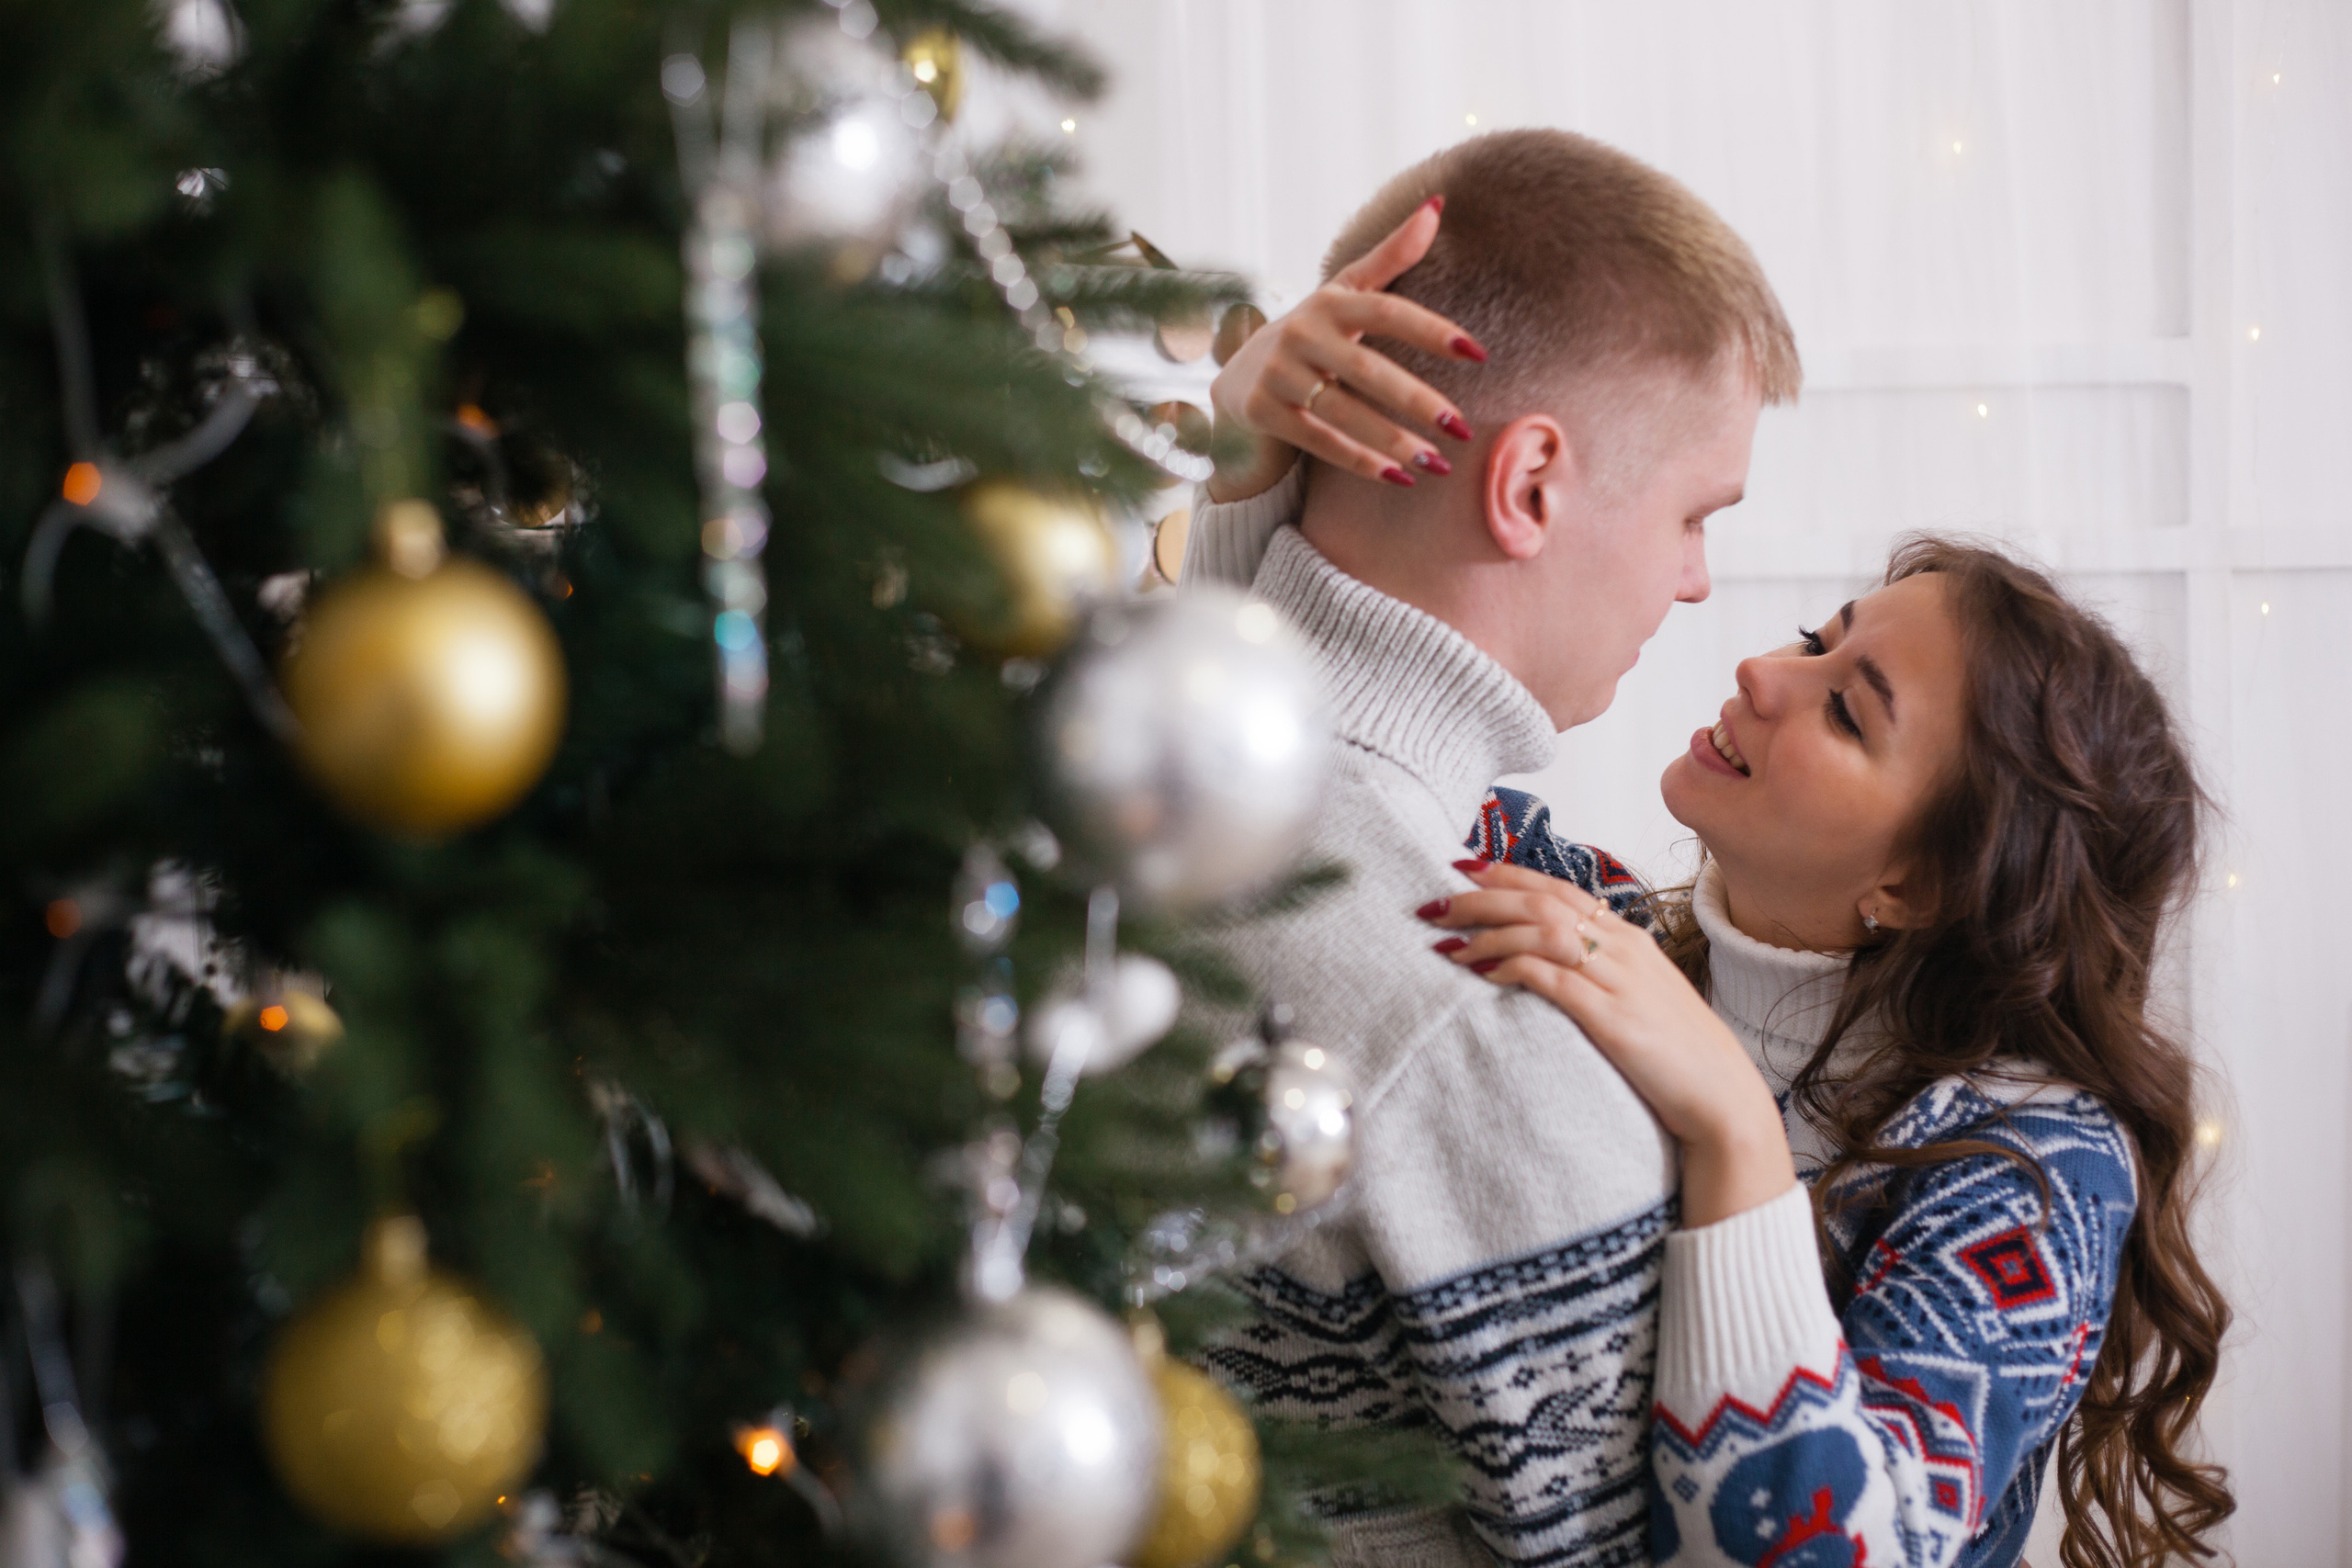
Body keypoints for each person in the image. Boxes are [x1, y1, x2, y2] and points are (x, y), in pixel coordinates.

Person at [1200, 234, 2233, 1568]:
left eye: (1847, 708)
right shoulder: (1601, 933)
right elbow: (1319, 777)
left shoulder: (2028, 1169)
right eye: (1821, 638)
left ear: (1915, 883)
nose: (1760, 669)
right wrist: (1254, 447)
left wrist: (1736, 1140)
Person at [1180, 129, 1800, 1567]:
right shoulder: (1477, 1012)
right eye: (1696, 514)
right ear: (1528, 489)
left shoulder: (1118, 778)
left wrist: (1234, 483)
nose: (1699, 581)